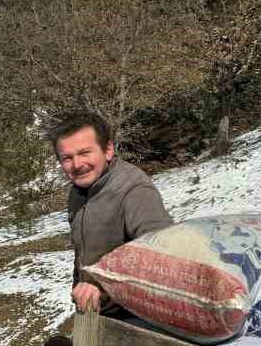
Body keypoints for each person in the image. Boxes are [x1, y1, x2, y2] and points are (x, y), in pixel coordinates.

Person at [53, 112, 173, 316]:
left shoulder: (133, 189)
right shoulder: (79, 192)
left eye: (84, 153)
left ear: (108, 150)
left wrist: (102, 287)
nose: (77, 164)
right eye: (67, 158)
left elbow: (161, 254)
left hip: (137, 317)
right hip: (95, 312)